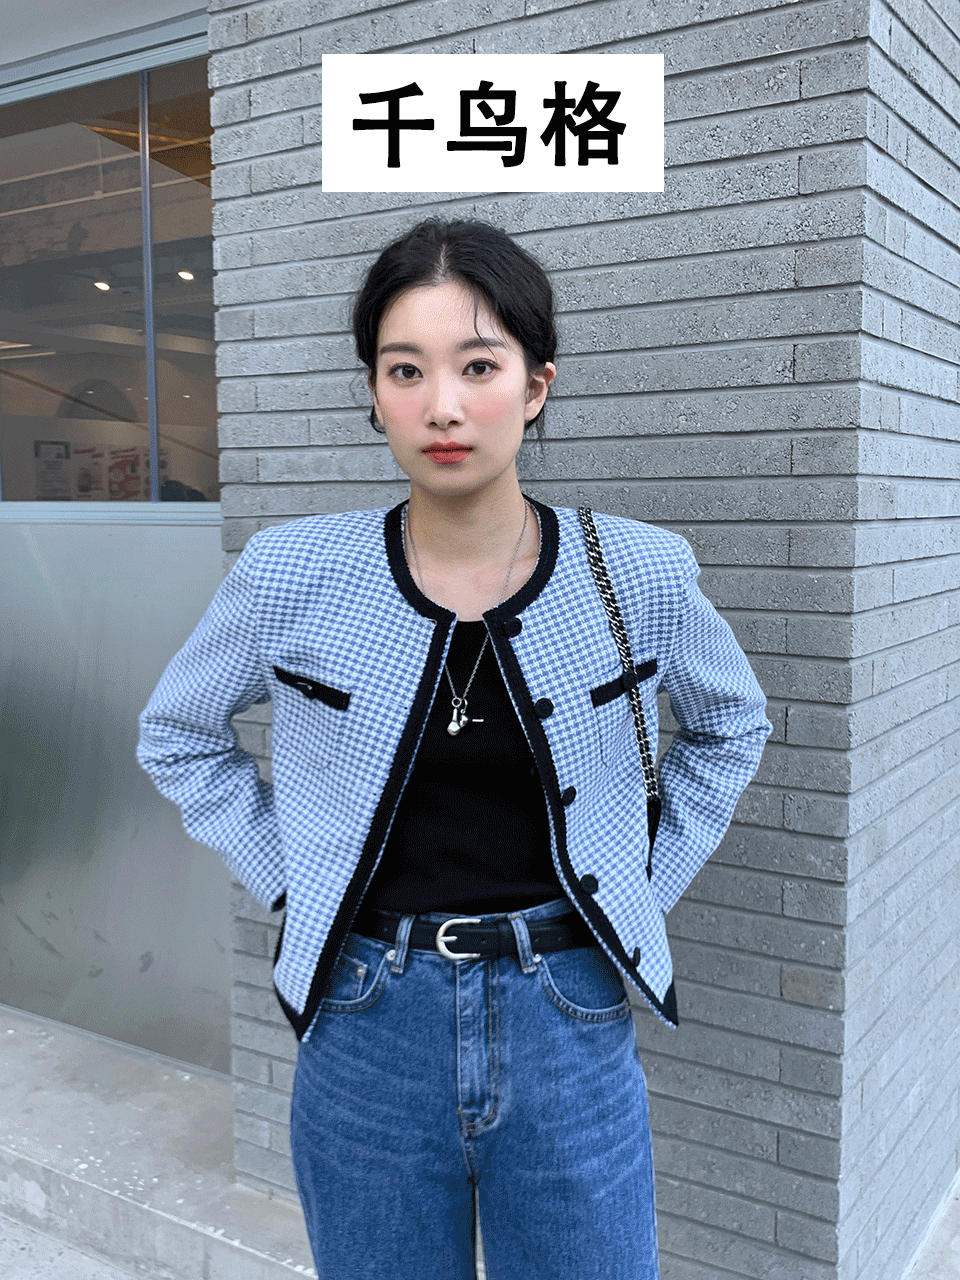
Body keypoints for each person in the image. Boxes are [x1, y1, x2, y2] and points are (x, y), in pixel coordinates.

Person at [138, 218, 771, 1280]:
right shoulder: (293, 574)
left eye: (479, 366)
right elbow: (179, 733)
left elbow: (730, 725)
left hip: (568, 1009)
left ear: (536, 385)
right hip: (364, 1019)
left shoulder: (638, 571)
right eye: (405, 369)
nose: (442, 404)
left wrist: (639, 886)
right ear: (373, 391)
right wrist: (294, 877)